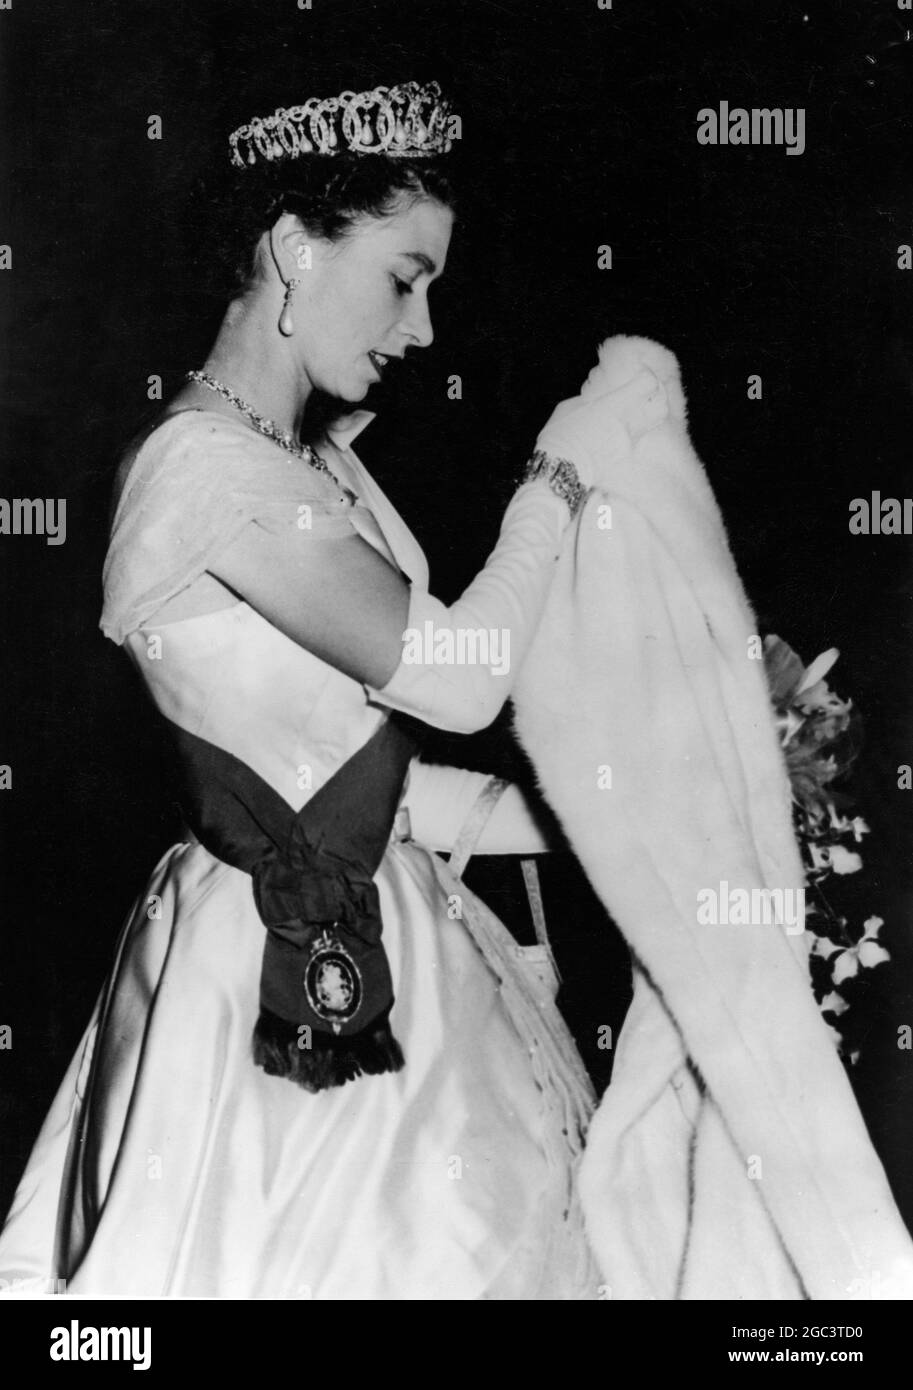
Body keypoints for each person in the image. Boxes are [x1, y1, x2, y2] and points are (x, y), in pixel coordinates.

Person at [0, 80, 637, 1299]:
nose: (425, 328)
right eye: (406, 276)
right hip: (267, 992)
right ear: (294, 247)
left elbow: (366, 789)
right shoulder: (204, 471)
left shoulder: (313, 465)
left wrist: (618, 814)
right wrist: (557, 483)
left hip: (391, 931)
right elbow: (458, 684)